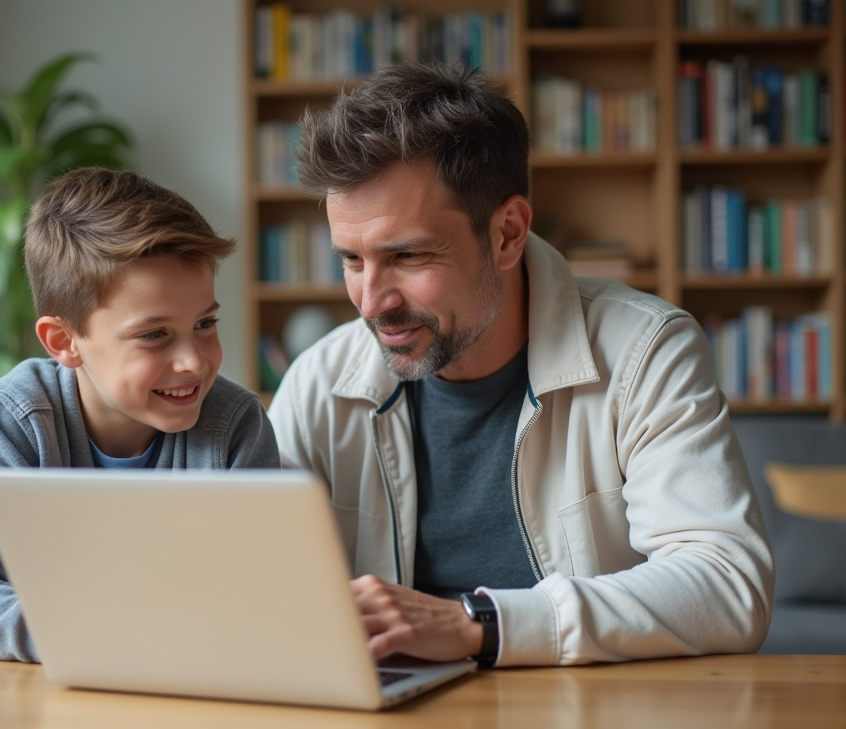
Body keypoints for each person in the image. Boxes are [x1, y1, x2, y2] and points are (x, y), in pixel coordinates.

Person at [268, 63, 774, 668]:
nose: (371, 303)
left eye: (406, 255)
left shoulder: (645, 351)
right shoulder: (318, 382)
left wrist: (479, 624)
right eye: (351, 259)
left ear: (507, 233)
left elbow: (728, 583)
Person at [0, 167, 281, 662]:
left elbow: (267, 600)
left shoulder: (235, 424)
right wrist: (99, 629)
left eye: (205, 323)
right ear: (65, 342)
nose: (194, 360)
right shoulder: (13, 420)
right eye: (154, 334)